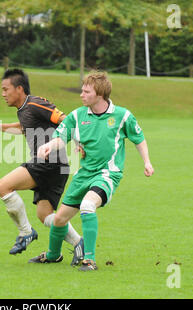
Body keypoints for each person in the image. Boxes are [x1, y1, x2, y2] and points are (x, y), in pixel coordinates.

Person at [29, 70, 154, 271]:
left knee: (88, 205)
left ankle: (90, 259)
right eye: (82, 90)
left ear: (100, 95)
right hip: (83, 174)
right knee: (59, 219)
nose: (82, 94)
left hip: (107, 173)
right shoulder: (77, 116)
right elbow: (61, 137)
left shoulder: (122, 115)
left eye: (86, 91)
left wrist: (147, 162)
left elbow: (138, 139)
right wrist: (49, 146)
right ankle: (53, 255)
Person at [0, 68, 84, 266]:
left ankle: (26, 232)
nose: (3, 94)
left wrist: (79, 142)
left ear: (19, 88)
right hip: (56, 166)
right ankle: (79, 243)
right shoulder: (24, 110)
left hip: (49, 162)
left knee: (4, 186)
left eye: (5, 89)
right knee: (45, 215)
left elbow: (67, 120)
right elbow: (23, 128)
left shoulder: (36, 103)